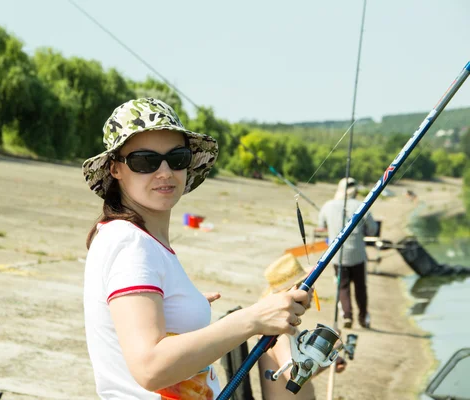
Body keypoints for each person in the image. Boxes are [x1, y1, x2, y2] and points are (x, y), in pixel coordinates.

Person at [82, 98, 312, 399]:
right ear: (115, 169)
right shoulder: (131, 245)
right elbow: (149, 368)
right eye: (144, 161)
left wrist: (182, 303)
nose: (164, 171)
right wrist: (252, 319)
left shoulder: (128, 237)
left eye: (176, 158)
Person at [256, 253, 347, 400]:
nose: (312, 291)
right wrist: (330, 348)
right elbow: (295, 374)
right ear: (297, 289)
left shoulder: (283, 325)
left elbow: (301, 367)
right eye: (309, 285)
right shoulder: (278, 331)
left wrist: (326, 363)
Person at [318, 177, 379, 329]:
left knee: (342, 287)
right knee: (360, 288)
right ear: (356, 190)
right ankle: (363, 318)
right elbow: (373, 230)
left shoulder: (328, 205)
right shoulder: (363, 206)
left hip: (337, 256)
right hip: (358, 255)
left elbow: (321, 225)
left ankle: (347, 316)